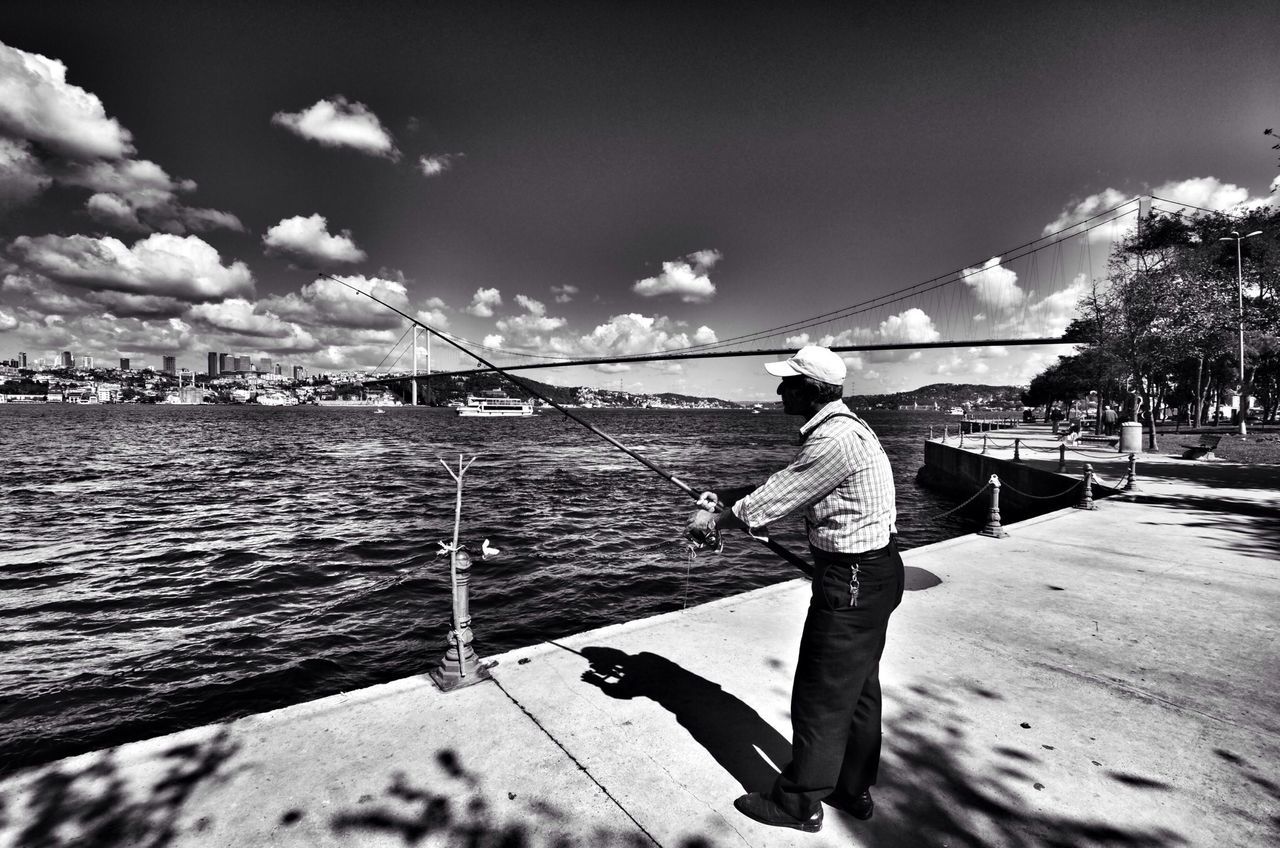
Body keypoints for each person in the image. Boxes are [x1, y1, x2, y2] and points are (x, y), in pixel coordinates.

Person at [686, 345, 903, 833]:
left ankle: (798, 803)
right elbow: (785, 485)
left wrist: (712, 519)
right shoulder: (844, 430)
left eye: (788, 381)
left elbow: (775, 499)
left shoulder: (833, 442)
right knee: (859, 691)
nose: (780, 388)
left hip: (850, 582)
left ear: (812, 389)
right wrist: (730, 497)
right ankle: (852, 789)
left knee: (821, 696)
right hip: (874, 575)